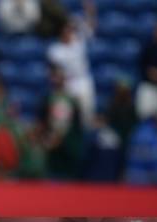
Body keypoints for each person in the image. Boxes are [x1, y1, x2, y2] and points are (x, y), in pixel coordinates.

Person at [47, 0, 97, 128]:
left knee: (87, 117)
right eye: (65, 30)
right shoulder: (55, 50)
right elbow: (53, 72)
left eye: (69, 29)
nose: (68, 32)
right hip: (66, 84)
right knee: (64, 121)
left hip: (83, 81)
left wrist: (90, 12)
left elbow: (91, 28)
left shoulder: (78, 41)